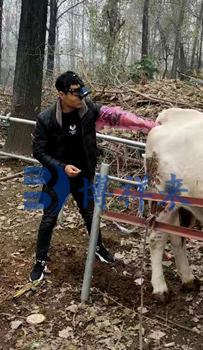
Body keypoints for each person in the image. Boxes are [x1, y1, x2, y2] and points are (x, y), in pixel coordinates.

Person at [30, 71, 158, 282]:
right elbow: (39, 151)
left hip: (83, 175)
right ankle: (40, 261)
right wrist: (62, 167)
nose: (81, 97)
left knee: (91, 214)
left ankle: (98, 247)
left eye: (83, 92)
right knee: (49, 219)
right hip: (57, 177)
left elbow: (120, 117)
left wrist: (151, 126)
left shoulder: (90, 111)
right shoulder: (46, 119)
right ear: (62, 94)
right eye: (75, 93)